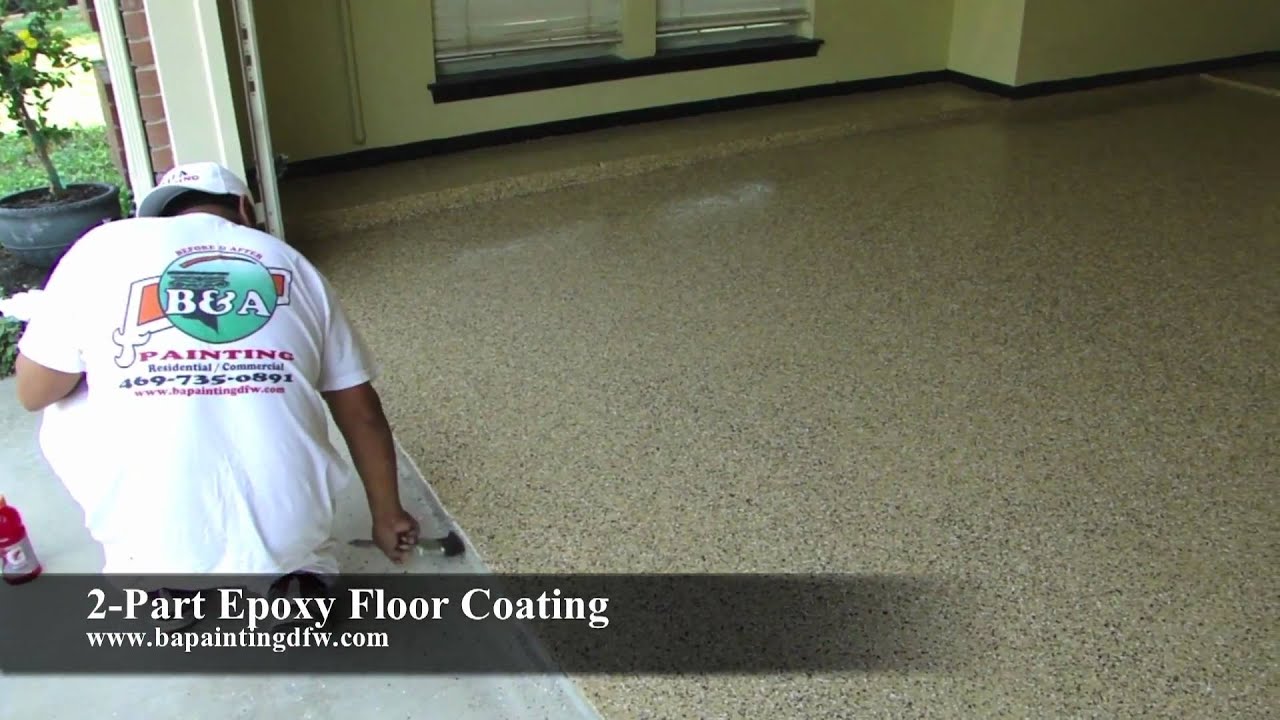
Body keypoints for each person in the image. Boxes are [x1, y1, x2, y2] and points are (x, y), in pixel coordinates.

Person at [14, 162, 419, 623]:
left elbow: (32, 393)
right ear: (245, 209)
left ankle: (162, 584)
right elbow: (361, 411)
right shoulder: (294, 265)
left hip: (151, 538)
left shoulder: (102, 248)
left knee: (67, 394)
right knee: (295, 393)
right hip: (289, 530)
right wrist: (388, 514)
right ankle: (295, 579)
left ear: (154, 218)